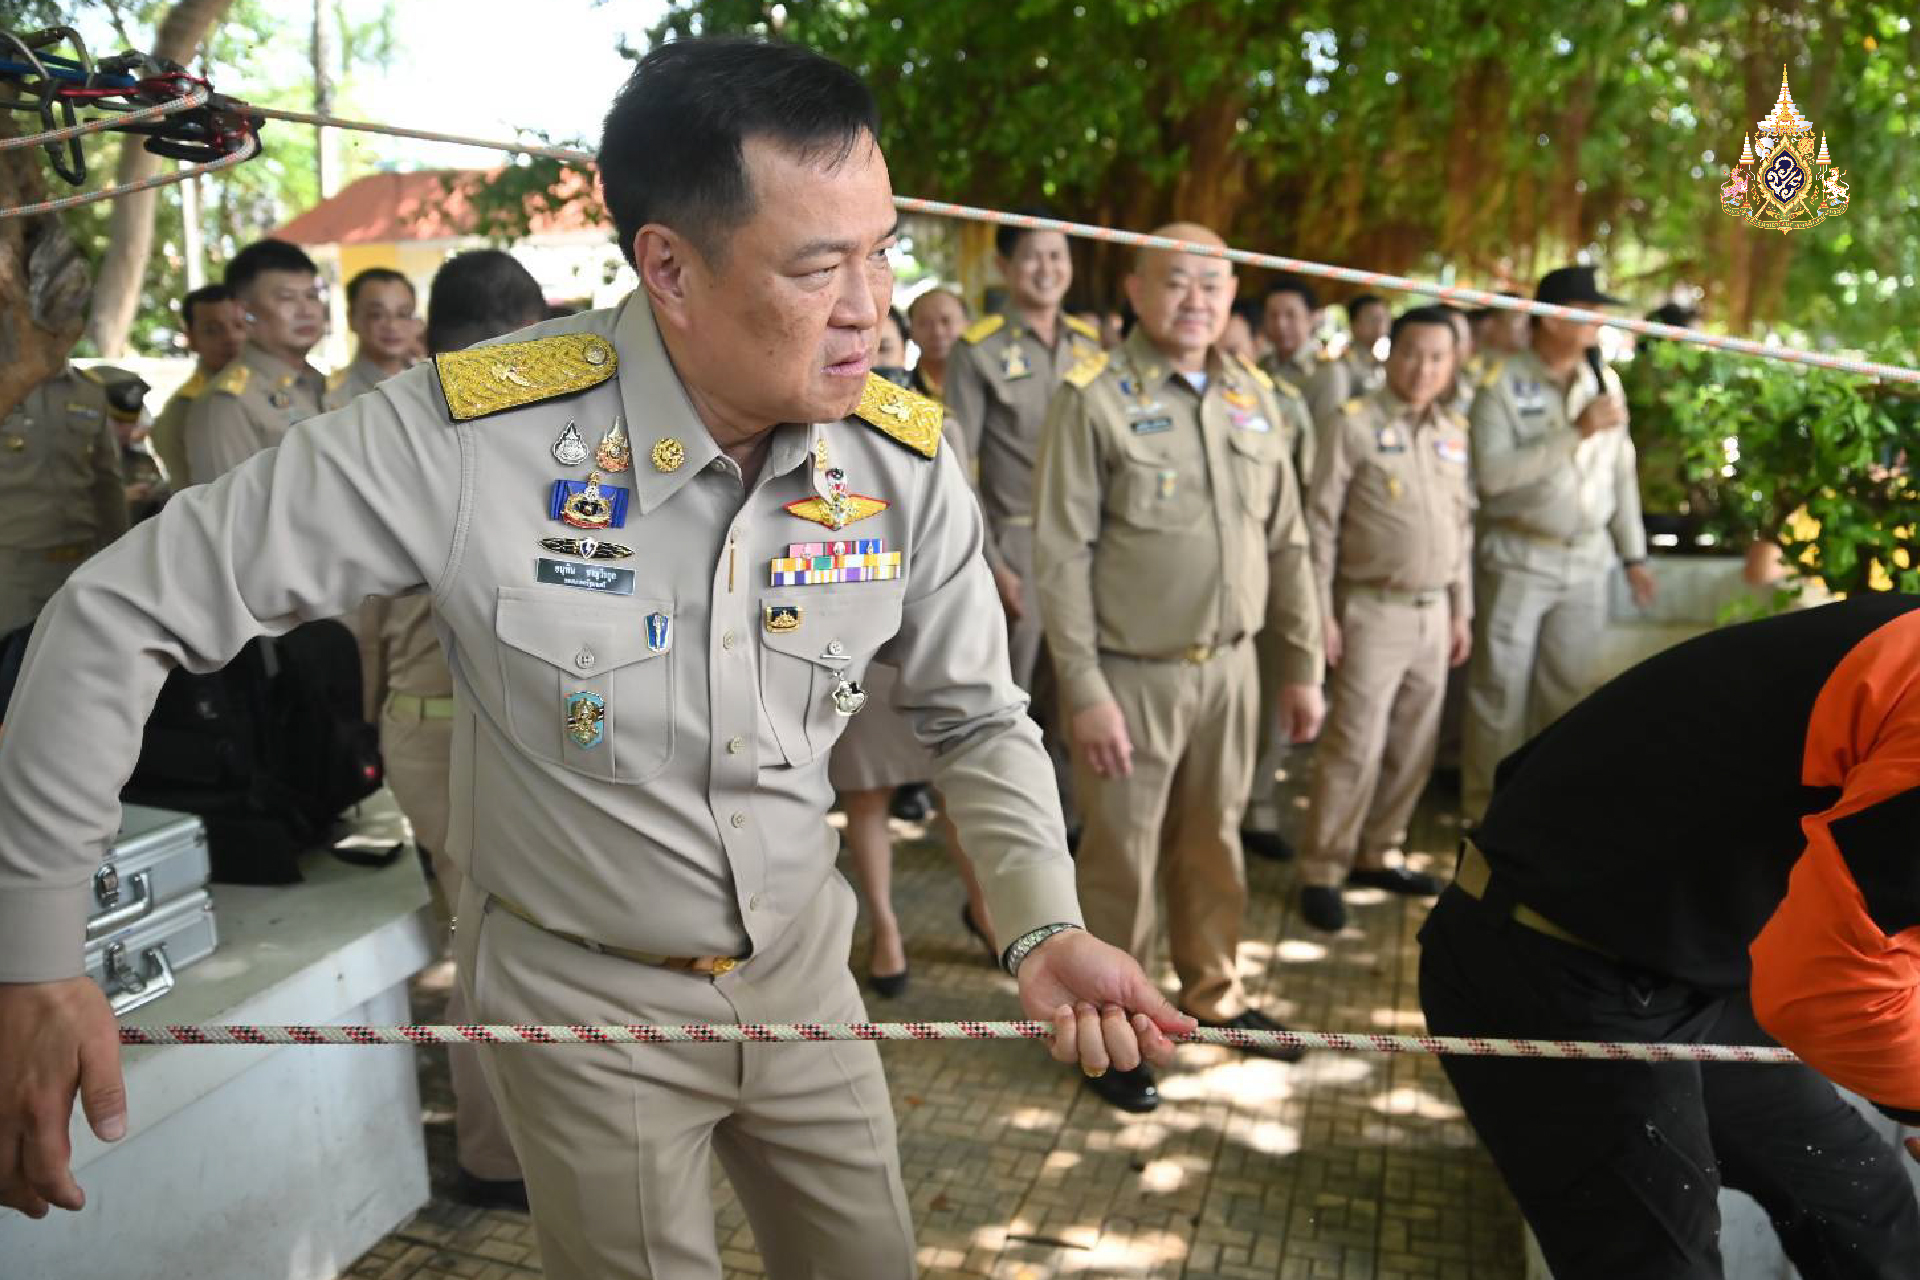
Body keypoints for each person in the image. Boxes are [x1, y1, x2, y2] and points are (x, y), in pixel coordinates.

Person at [0, 39, 1189, 1278]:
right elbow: (117, 610)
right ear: (668, 266)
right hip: (585, 1007)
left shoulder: (896, 458)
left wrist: (1042, 924)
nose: (869, 307)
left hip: (805, 978)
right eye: (816, 266)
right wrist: (33, 956)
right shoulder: (477, 438)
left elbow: (978, 716)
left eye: (882, 251)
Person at [1421, 592, 1920, 1279]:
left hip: (1687, 962)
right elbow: (1830, 983)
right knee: (1661, 1265)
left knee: (1867, 1213)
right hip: (1553, 957)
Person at [1033, 221, 1325, 1114]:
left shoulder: (1255, 396)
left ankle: (1214, 994)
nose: (1196, 299)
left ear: (1232, 293)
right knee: (1120, 858)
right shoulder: (1093, 398)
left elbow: (1289, 540)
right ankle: (1115, 1030)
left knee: (1214, 840)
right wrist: (1084, 690)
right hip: (1131, 674)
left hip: (1232, 670)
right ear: (1135, 290)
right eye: (1176, 281)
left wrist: (1301, 664)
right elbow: (1061, 555)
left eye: (1213, 283)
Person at [363, 248, 542, 1209]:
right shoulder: (499, 429)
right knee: (489, 947)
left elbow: (356, 622)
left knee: (495, 937)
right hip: (458, 734)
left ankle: (511, 1143)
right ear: (531, 331)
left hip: (424, 726)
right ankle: (492, 1157)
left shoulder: (399, 427)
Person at [1296, 307, 1472, 932]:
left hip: (1434, 612)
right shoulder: (1352, 425)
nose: (1423, 368)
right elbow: (1318, 528)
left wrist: (1461, 610)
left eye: (1437, 357)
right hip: (1370, 609)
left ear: (1452, 365)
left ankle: (1379, 851)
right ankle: (1322, 868)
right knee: (1354, 746)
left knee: (1412, 745)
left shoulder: (1454, 431)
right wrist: (1320, 614)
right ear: (1389, 354)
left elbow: (1461, 525)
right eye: (1411, 353)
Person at [1460, 265, 1654, 821]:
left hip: (1587, 560)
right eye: (1586, 310)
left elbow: (1621, 473)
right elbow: (1492, 477)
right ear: (1549, 318)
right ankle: (1485, 818)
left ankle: (1544, 817)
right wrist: (1575, 432)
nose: (1598, 321)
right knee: (1498, 696)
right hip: (1519, 556)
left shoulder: (1603, 381)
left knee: (1568, 697)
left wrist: (1634, 554)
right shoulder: (1500, 385)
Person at [942, 209, 1105, 697]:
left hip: (1091, 538)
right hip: (1018, 540)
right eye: (1033, 257)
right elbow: (960, 468)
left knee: (1080, 690)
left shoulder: (1089, 346)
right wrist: (992, 562)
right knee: (1013, 691)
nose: (1047, 269)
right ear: (1004, 265)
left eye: (1057, 256)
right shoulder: (977, 350)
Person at [181, 238, 329, 484]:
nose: (306, 311)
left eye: (312, 296)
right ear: (244, 313)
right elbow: (230, 504)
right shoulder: (228, 403)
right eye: (287, 298)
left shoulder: (324, 385)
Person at [0, 362, 126, 635]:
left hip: (82, 560)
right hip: (13, 570)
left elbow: (107, 483)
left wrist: (121, 553)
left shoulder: (88, 391)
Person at [148, 283, 245, 487]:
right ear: (191, 339)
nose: (231, 338)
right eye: (213, 331)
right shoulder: (184, 411)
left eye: (240, 325)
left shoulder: (272, 388)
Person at [328, 266, 419, 408]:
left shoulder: (431, 381)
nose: (392, 325)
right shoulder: (333, 394)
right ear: (351, 319)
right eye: (377, 315)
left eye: (403, 314)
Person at [1305, 292, 1389, 425]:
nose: (1380, 325)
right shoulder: (1339, 366)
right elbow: (1330, 418)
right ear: (1353, 324)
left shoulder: (1378, 363)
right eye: (1372, 319)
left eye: (1383, 319)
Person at [97, 368, 168, 524]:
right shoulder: (69, 463)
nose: (127, 430)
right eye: (117, 422)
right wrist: (115, 500)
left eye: (132, 422)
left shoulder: (141, 462)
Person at [1258, 275, 1322, 397]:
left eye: (1290, 315)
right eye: (1273, 315)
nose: (1280, 324)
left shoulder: (1326, 370)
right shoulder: (1261, 365)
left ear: (1311, 318)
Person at [905, 286, 966, 399]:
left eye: (946, 321)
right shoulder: (901, 389)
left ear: (967, 325)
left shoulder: (989, 383)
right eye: (924, 323)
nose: (937, 332)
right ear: (910, 331)